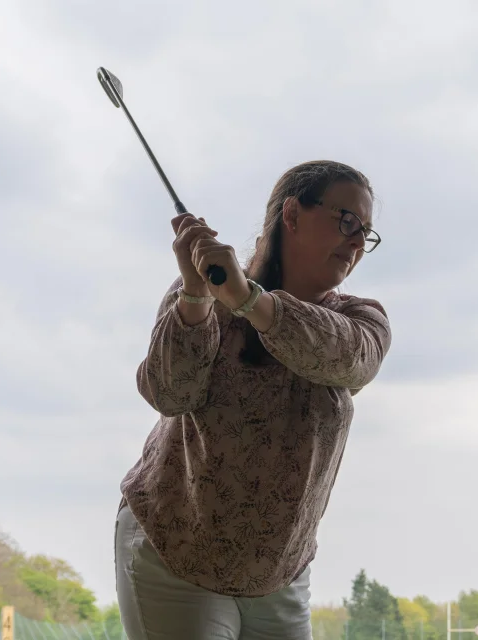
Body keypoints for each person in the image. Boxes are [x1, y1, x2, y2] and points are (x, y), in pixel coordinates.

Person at [114, 160, 392, 640]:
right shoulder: (198, 294)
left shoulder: (361, 319)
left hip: (278, 573)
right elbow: (169, 393)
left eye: (365, 234)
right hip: (176, 551)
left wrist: (247, 299)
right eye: (347, 221)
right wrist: (198, 297)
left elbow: (347, 358)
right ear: (292, 214)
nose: (355, 242)